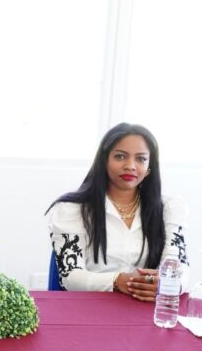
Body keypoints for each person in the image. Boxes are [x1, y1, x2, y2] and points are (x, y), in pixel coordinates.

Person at [46, 122, 188, 300]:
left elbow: (179, 267)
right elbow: (70, 276)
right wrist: (117, 280)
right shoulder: (72, 209)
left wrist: (167, 284)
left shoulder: (169, 208)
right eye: (120, 157)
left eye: (141, 159)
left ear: (149, 168)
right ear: (104, 161)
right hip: (91, 305)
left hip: (144, 306)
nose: (130, 166)